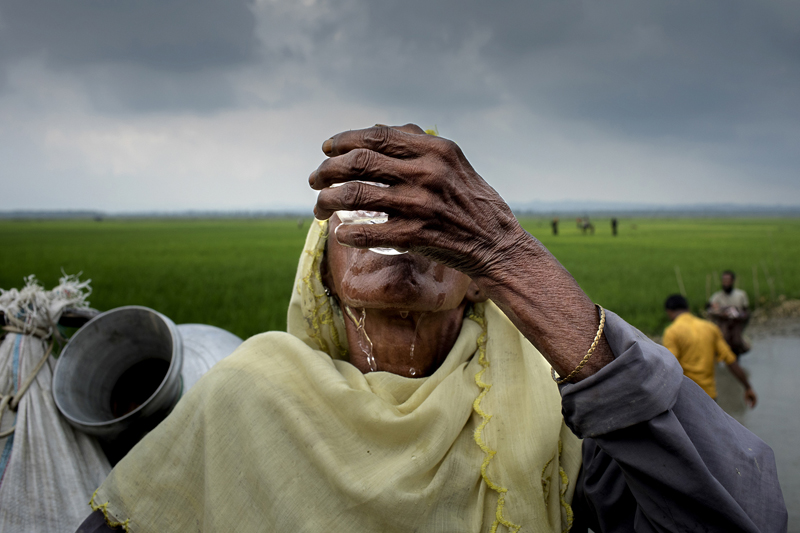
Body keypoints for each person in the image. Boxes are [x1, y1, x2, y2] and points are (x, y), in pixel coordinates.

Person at [77, 125, 785, 532]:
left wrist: (512, 254)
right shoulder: (246, 394)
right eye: (370, 207)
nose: (399, 228)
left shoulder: (550, 419)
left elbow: (745, 516)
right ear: (322, 270)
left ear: (477, 278)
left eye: (433, 213)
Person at [663, 294, 757, 407]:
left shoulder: (672, 332)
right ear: (688, 309)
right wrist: (748, 387)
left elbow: (670, 366)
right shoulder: (710, 328)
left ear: (669, 312)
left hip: (688, 398)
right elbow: (731, 360)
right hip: (710, 397)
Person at [708, 270, 751, 356]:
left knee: (737, 342)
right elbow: (711, 311)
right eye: (724, 280)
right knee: (723, 340)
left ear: (732, 281)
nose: (725, 283)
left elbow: (746, 312)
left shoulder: (741, 295)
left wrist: (740, 316)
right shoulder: (716, 297)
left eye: (728, 280)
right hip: (723, 324)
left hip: (737, 324)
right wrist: (721, 314)